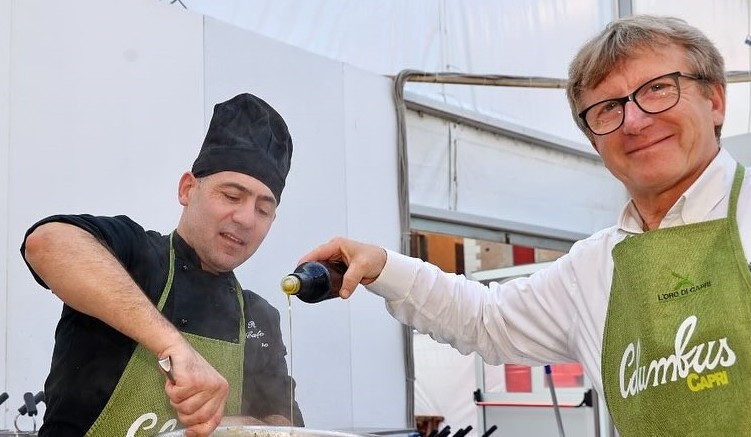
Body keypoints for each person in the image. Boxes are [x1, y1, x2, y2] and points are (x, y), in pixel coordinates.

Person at [297, 15, 751, 436]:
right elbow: (486, 318)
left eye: (658, 89)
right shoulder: (594, 268)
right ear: (594, 141)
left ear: (715, 100)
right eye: (608, 108)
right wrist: (382, 266)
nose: (634, 120)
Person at [21, 93, 304, 437]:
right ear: (187, 189)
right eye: (232, 196)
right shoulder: (133, 255)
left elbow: (284, 426)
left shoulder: (260, 318)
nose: (246, 219)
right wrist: (173, 346)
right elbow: (47, 243)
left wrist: (223, 427)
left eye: (263, 209)